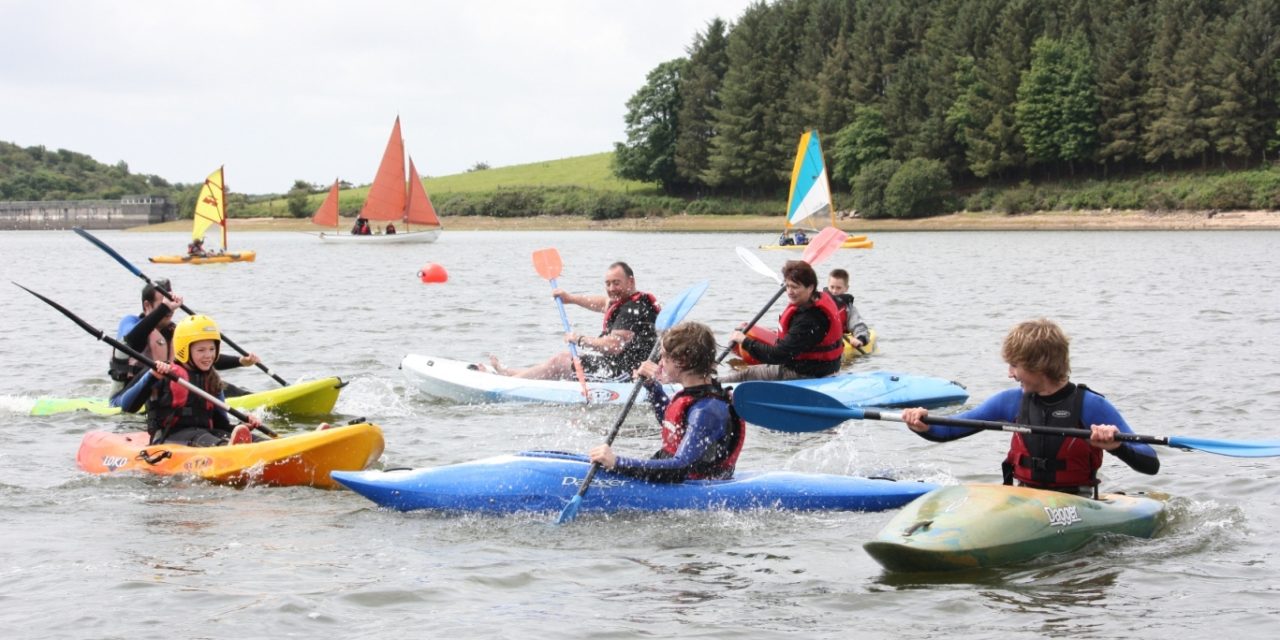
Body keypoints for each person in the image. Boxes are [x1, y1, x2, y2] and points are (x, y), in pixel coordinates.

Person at [900, 318, 1160, 498]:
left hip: (1077, 502)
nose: (1010, 374)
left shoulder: (1091, 405)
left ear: (1039, 365)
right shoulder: (1009, 401)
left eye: (1015, 365)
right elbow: (948, 431)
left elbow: (1150, 463)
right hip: (1023, 497)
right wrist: (921, 423)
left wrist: (1117, 446)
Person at [587, 322, 745, 482]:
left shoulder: (706, 410)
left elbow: (679, 468)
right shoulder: (696, 396)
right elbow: (672, 425)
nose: (660, 363)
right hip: (675, 474)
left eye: (663, 356)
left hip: (694, 486)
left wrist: (617, 463)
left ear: (681, 361)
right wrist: (652, 387)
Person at [487, 261, 659, 381]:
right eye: (608, 284)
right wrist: (570, 298)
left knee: (562, 361)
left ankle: (512, 383)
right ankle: (511, 374)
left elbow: (614, 346)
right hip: (620, 365)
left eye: (616, 283)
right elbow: (603, 303)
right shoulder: (635, 300)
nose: (611, 289)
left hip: (626, 374)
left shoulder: (631, 309)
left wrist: (579, 339)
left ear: (631, 281)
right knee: (562, 361)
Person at [107, 279, 260, 406]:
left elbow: (200, 358)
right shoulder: (130, 323)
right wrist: (164, 308)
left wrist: (240, 361)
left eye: (170, 303)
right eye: (163, 304)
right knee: (156, 368)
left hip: (163, 390)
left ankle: (253, 399)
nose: (170, 309)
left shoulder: (175, 331)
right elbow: (132, 342)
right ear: (147, 305)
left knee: (208, 379)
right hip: (125, 397)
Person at [120, 314, 262, 446]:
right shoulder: (164, 373)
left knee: (257, 441)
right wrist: (152, 376)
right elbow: (127, 406)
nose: (208, 355)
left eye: (212, 349)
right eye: (201, 350)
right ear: (184, 350)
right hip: (168, 438)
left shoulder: (212, 380)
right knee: (207, 439)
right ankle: (229, 450)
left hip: (205, 435)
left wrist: (241, 426)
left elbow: (221, 425)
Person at [721, 260, 844, 382]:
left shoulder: (809, 319)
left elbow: (777, 356)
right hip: (826, 368)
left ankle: (715, 386)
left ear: (810, 287)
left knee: (746, 375)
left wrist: (744, 341)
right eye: (787, 286)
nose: (789, 291)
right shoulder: (818, 298)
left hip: (806, 373)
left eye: (795, 287)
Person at [826, 268, 871, 351]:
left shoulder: (848, 309)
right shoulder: (818, 302)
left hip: (839, 342)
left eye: (838, 288)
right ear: (827, 285)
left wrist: (860, 339)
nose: (834, 291)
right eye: (832, 287)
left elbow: (858, 326)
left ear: (846, 288)